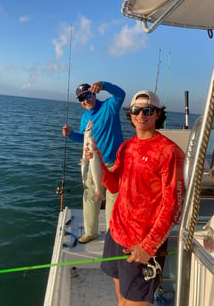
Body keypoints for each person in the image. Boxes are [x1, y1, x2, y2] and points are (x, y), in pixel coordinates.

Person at [86, 90, 185, 305]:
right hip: (117, 235)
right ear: (130, 114)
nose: (141, 115)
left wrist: (149, 246)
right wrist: (99, 162)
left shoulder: (170, 152)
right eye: (136, 110)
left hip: (142, 244)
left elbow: (174, 205)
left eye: (147, 110)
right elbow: (114, 186)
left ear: (158, 114)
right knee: (121, 298)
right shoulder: (126, 147)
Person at [62, 81, 125, 243]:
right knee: (90, 195)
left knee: (114, 199)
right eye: (81, 99)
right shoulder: (85, 118)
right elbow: (84, 138)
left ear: (94, 94)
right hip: (94, 164)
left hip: (114, 164)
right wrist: (71, 134)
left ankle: (113, 235)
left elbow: (121, 94)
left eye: (87, 95)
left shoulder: (109, 106)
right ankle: (91, 232)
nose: (85, 100)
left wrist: (104, 85)